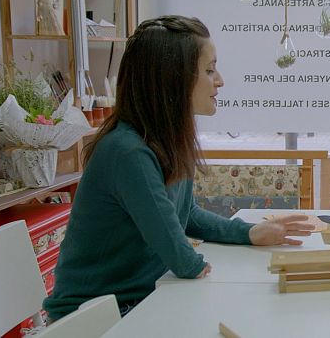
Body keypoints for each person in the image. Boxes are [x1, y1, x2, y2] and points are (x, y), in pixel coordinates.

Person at [43, 16, 314, 321]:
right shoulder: (127, 151)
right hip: (95, 319)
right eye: (209, 70)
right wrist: (204, 264)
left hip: (138, 302)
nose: (220, 80)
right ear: (174, 79)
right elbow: (182, 258)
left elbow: (186, 215)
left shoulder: (162, 141)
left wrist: (249, 232)